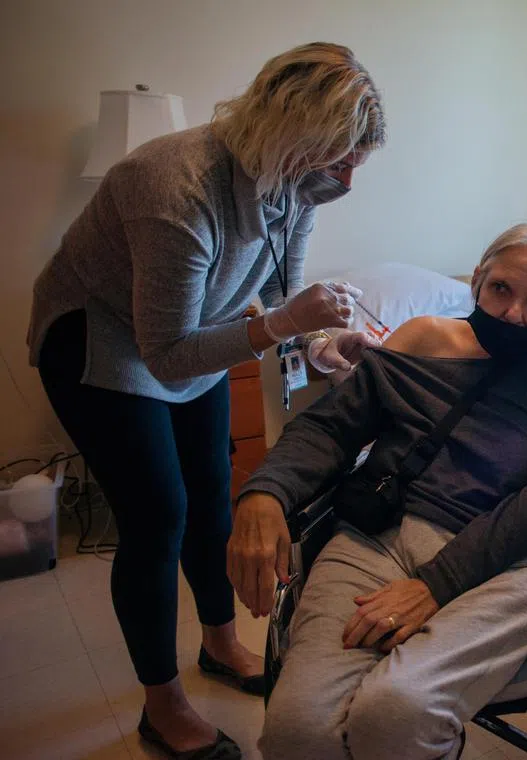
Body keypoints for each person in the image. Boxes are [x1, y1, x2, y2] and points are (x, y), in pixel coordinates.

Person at [27, 43, 386, 760]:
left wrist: (317, 343)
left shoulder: (295, 184)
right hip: (98, 338)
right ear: (289, 134)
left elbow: (283, 296)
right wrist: (282, 325)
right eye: (337, 158)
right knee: (159, 513)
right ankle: (163, 708)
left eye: (356, 161)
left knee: (213, 496)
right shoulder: (172, 186)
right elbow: (166, 354)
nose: (347, 178)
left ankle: (221, 645)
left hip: (195, 332)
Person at [228, 222, 527, 760]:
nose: (514, 314)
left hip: (513, 562)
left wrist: (436, 585)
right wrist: (265, 492)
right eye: (501, 289)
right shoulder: (421, 340)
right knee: (295, 730)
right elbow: (329, 427)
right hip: (379, 537)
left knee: (396, 714)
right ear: (477, 280)